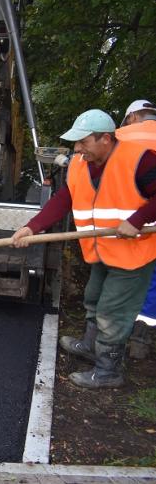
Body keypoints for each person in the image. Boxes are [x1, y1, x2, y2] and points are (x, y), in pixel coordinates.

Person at [12, 109, 156, 388]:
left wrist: (137, 219)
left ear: (105, 138)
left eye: (83, 142)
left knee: (113, 310)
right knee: (93, 297)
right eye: (76, 143)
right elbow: (65, 197)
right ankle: (90, 347)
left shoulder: (140, 160)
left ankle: (108, 370)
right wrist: (32, 227)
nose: (77, 148)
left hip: (133, 252)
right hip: (102, 248)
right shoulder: (80, 163)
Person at [115, 99, 156, 359]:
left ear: (131, 117)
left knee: (124, 276)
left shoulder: (121, 137)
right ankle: (141, 339)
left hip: (132, 223)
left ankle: (112, 340)